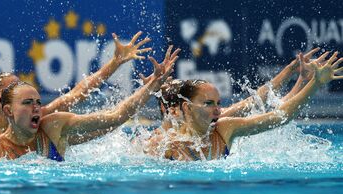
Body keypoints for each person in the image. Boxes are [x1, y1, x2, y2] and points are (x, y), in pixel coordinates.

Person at [0, 47, 179, 162]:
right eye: (27, 102)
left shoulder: (52, 125)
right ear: (4, 106)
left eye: (38, 102)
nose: (36, 107)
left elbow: (116, 114)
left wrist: (153, 84)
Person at [145, 51, 342, 160]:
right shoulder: (162, 143)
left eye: (218, 103)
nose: (217, 109)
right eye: (208, 103)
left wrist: (308, 81)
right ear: (176, 109)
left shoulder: (223, 125)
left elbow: (278, 113)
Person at [0, 32, 153, 144]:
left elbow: (77, 93)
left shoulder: (41, 121)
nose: (19, 90)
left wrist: (114, 63)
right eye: (10, 88)